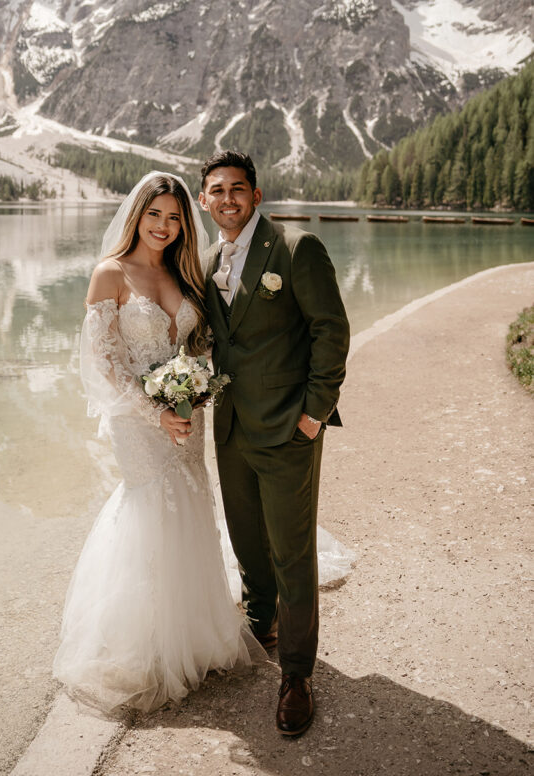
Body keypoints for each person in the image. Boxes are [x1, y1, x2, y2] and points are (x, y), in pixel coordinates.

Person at [53, 171, 263, 714]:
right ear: (136, 215)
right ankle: (144, 646)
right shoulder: (110, 274)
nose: (165, 227)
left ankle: (193, 636)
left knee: (192, 504)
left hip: (185, 416)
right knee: (150, 505)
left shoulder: (184, 274)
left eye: (174, 217)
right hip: (137, 421)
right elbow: (102, 367)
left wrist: (193, 392)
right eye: (155, 215)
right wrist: (155, 413)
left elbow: (200, 345)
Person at [198, 150, 351, 737]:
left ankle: (297, 675)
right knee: (246, 539)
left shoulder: (295, 248)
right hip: (232, 427)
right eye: (217, 190)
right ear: (205, 200)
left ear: (256, 196)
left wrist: (314, 414)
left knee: (292, 552)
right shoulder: (208, 258)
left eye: (238, 189)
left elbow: (329, 330)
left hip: (289, 427)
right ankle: (260, 620)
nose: (228, 199)